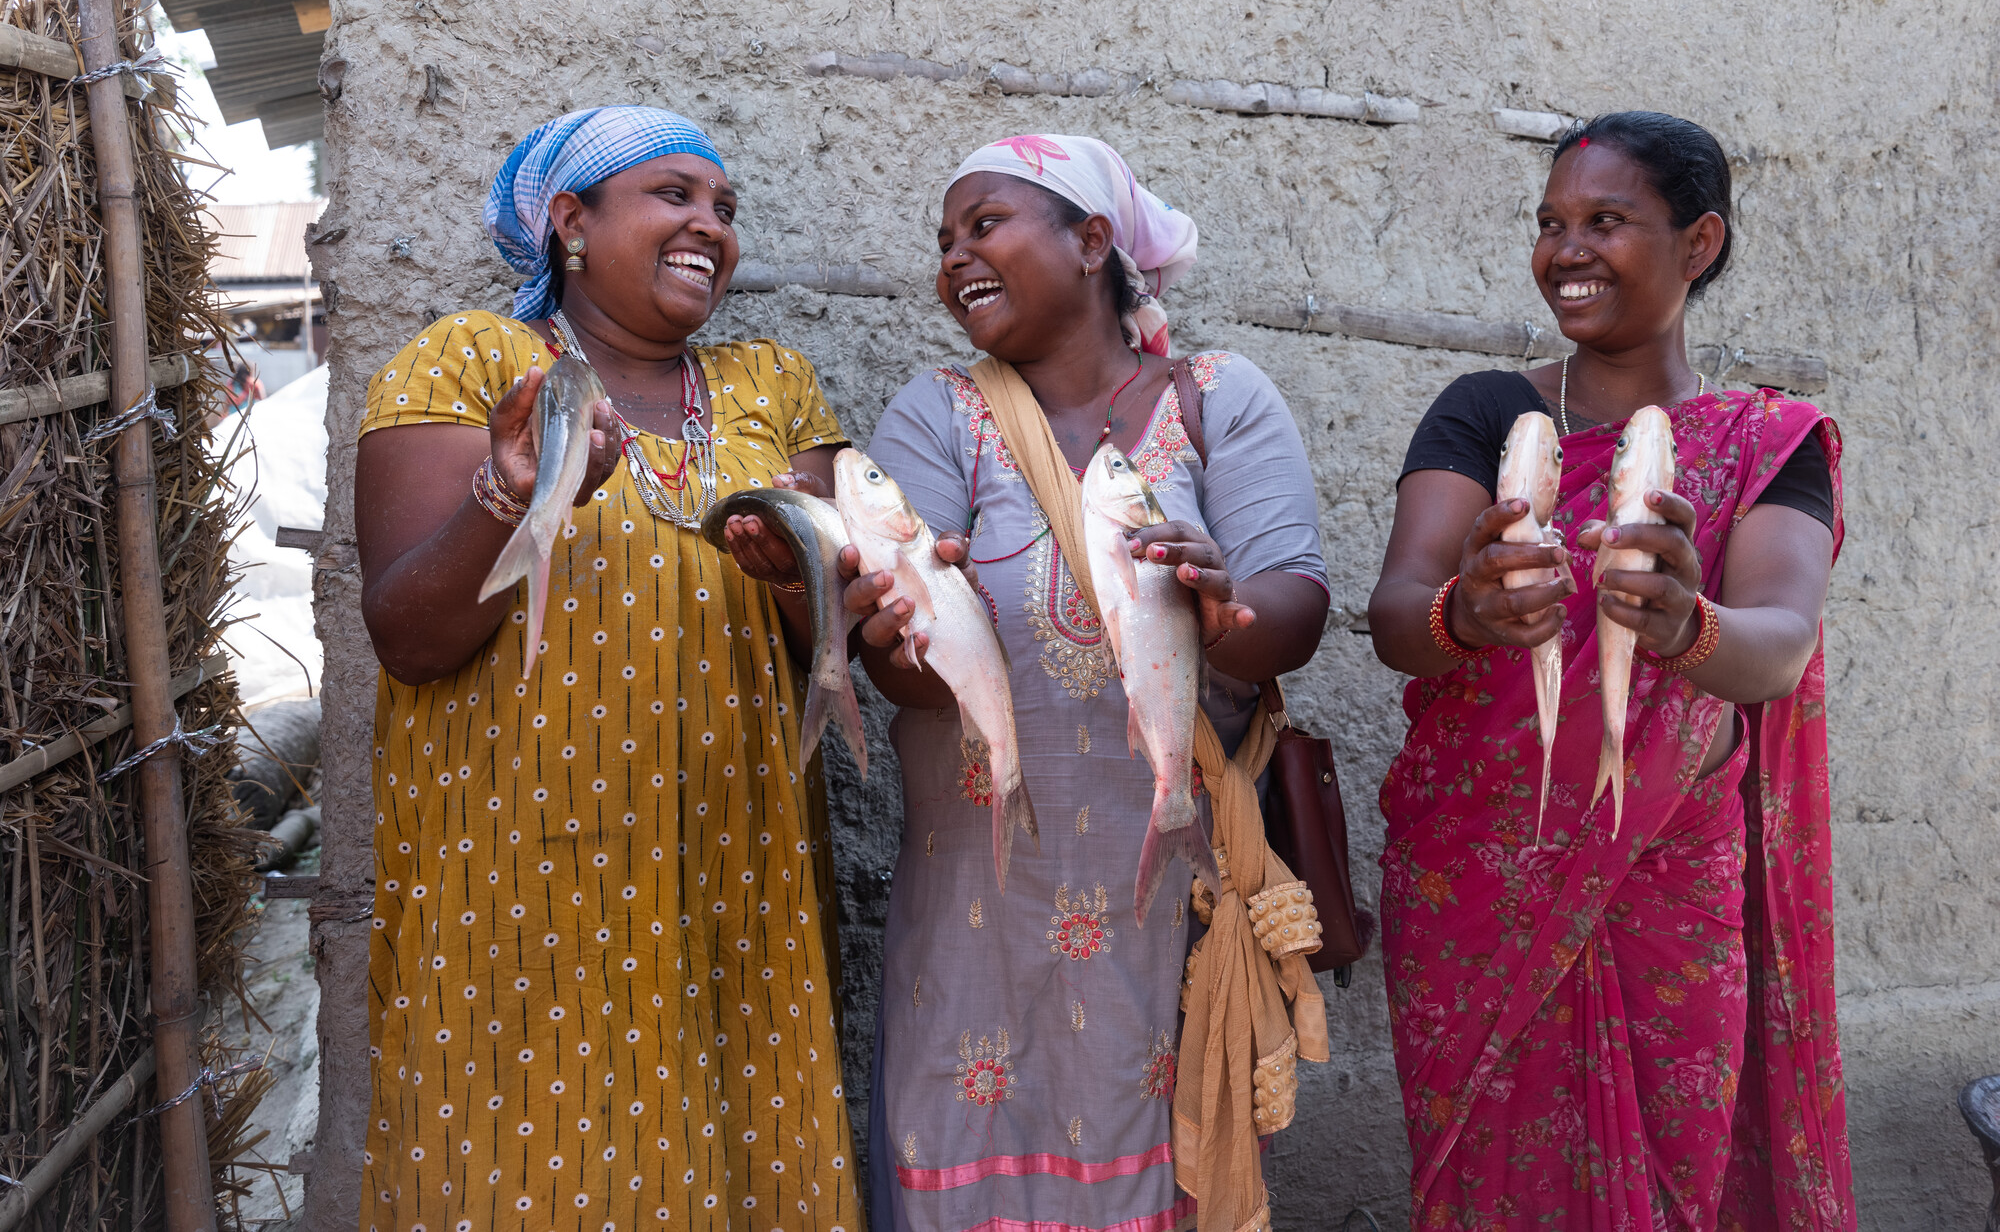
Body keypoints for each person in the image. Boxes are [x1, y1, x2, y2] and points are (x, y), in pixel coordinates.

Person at [353, 107, 862, 1231]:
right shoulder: (475, 363)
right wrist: (511, 496)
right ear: (570, 223)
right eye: (673, 195)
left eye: (724, 208)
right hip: (517, 881)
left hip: (736, 869)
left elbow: (832, 643)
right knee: (527, 1161)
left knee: (739, 1151)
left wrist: (794, 578)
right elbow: (408, 637)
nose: (709, 226)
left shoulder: (771, 386)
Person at [1367, 112, 1854, 1229]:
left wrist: (1688, 624)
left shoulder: (1766, 440)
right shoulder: (1487, 412)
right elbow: (1396, 614)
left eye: (1604, 221)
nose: (1564, 250)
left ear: (1697, 242)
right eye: (1548, 224)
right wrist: (1468, 613)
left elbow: (1776, 642)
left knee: (1672, 1182)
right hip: (1473, 881)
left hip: (1664, 888)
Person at [847, 134, 1331, 1232]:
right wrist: (894, 631)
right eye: (943, 241)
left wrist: (1227, 611)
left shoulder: (1215, 399)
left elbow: (1291, 608)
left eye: (984, 225)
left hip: (1167, 904)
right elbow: (912, 682)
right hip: (979, 908)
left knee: (1156, 1156)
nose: (953, 258)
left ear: (1092, 240)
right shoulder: (938, 416)